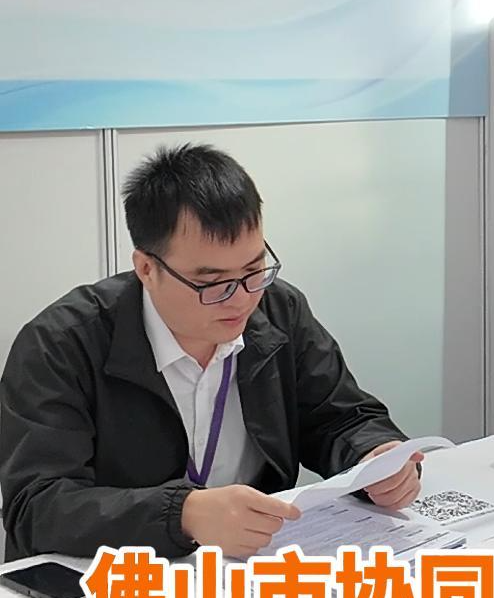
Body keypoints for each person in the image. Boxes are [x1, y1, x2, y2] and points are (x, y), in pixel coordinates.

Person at [0, 144, 421, 562]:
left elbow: (340, 416)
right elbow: (36, 506)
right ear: (147, 269)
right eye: (212, 283)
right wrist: (182, 515)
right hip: (111, 576)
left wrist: (375, 456)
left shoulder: (279, 310)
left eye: (254, 270)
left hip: (247, 567)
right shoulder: (61, 344)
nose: (241, 300)